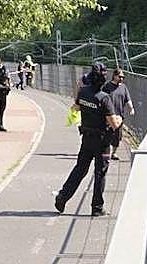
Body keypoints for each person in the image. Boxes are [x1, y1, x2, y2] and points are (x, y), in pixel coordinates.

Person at [54, 63, 121, 217]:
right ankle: (97, 207)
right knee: (100, 174)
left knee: (80, 170)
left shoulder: (83, 92)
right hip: (102, 141)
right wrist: (119, 119)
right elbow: (114, 124)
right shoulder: (104, 98)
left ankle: (62, 197)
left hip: (87, 138)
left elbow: (75, 108)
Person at [102, 68, 135, 160]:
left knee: (117, 136)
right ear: (114, 76)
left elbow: (128, 99)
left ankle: (114, 153)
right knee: (107, 134)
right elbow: (102, 98)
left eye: (123, 77)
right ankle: (106, 152)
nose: (121, 79)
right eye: (120, 77)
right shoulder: (107, 86)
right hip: (109, 115)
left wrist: (131, 108)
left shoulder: (123, 87)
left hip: (119, 116)